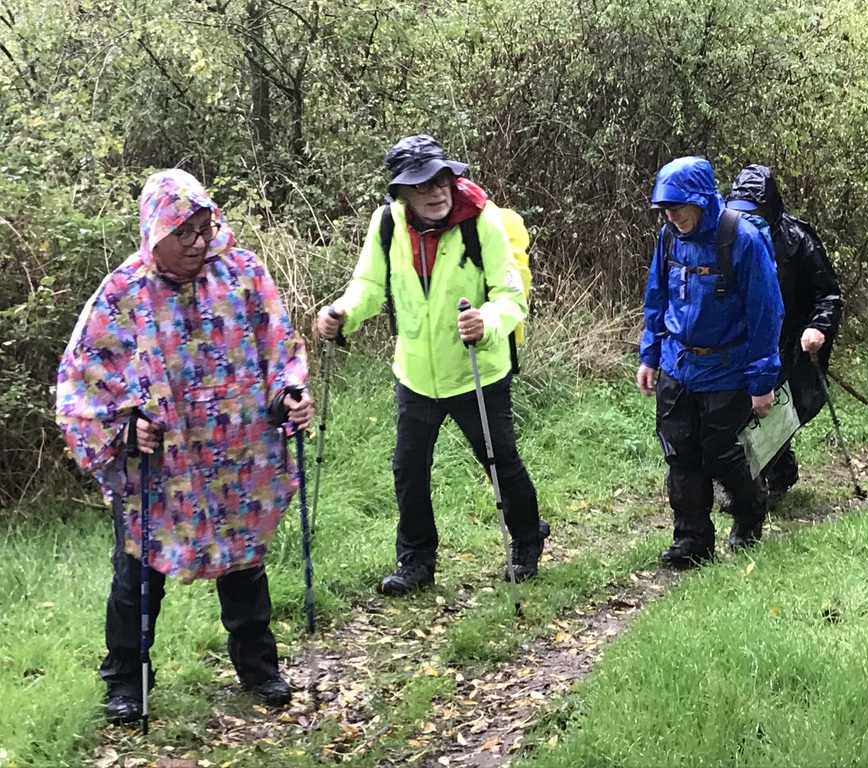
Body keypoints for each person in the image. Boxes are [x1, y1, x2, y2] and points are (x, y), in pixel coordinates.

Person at [56, 169, 313, 726]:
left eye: (205, 228)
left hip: (238, 452)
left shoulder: (242, 272)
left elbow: (278, 346)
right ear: (155, 232)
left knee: (244, 558)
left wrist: (286, 395)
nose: (198, 242)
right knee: (138, 571)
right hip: (162, 465)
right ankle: (126, 680)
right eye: (185, 233)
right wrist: (124, 429)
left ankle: (259, 668)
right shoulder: (122, 293)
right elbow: (82, 383)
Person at [315, 135, 546, 596]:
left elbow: (510, 297)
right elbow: (368, 286)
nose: (437, 191)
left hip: (477, 370)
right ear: (401, 192)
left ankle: (526, 538)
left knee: (499, 460)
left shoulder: (481, 221)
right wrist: (342, 313)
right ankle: (416, 561)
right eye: (423, 185)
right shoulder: (386, 224)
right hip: (416, 373)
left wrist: (487, 321)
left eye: (441, 180)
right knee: (409, 468)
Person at [637, 156, 783, 565]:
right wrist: (649, 355)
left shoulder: (742, 239)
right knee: (679, 453)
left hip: (726, 369)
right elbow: (657, 298)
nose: (671, 217)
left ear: (701, 200)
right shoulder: (668, 238)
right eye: (665, 210)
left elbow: (766, 311)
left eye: (678, 207)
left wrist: (762, 381)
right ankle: (692, 540)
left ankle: (750, 508)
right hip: (677, 364)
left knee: (721, 453)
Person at [725, 164, 843, 498]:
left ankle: (764, 482)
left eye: (754, 212)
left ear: (770, 208)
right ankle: (764, 475)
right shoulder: (726, 236)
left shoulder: (797, 240)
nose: (747, 218)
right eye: (740, 211)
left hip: (791, 341)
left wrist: (818, 326)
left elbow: (828, 294)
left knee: (777, 410)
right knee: (739, 409)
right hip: (745, 338)